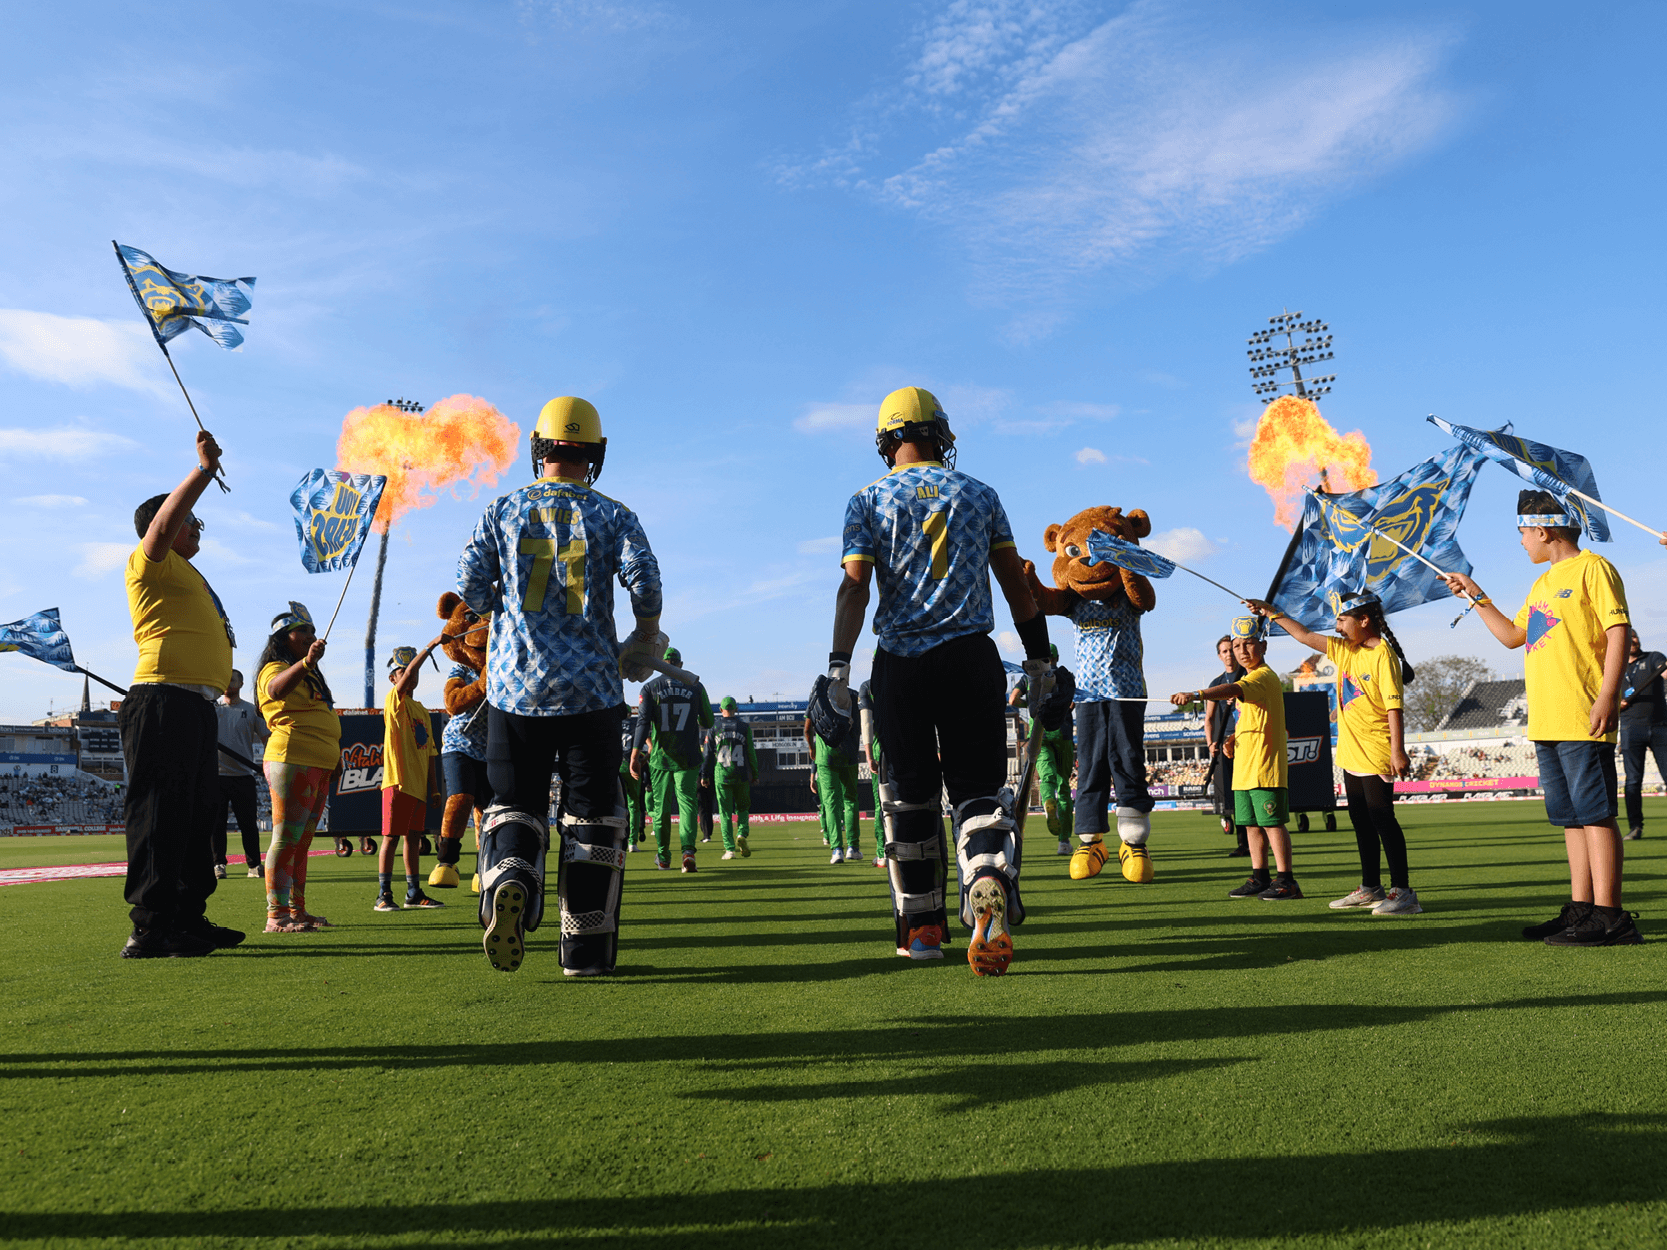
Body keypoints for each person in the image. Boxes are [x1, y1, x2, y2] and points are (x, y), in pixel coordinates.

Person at [828, 386, 1049, 975]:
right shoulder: (980, 494)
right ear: (941, 435)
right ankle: (984, 876)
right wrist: (1040, 660)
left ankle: (923, 928)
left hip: (901, 663)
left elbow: (855, 585)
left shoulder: (867, 499)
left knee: (909, 800)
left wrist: (838, 667)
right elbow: (1015, 582)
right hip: (971, 657)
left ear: (887, 440)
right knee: (978, 793)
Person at [458, 395, 664, 976]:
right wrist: (645, 632)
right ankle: (585, 953)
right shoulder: (613, 514)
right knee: (594, 816)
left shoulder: (501, 510)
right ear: (593, 453)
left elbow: (470, 589)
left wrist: (503, 611)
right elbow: (645, 582)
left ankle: (511, 876)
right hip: (591, 690)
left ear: (539, 450)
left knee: (514, 803)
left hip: (513, 688)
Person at [1442, 489, 1638, 946]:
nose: (1522, 542)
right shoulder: (1542, 583)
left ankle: (1612, 917)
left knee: (1596, 816)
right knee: (1571, 819)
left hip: (1582, 715)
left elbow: (1618, 631)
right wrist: (1476, 596)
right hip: (1547, 720)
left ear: (1544, 530)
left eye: (1524, 533)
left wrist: (1608, 694)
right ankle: (1582, 909)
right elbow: (1513, 636)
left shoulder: (1594, 568)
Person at [118, 429, 244, 958]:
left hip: (195, 706)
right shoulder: (149, 560)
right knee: (160, 815)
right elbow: (166, 522)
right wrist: (204, 471)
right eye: (194, 520)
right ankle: (149, 927)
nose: (198, 529)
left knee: (197, 815)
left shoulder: (187, 574)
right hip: (162, 700)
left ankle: (187, 917)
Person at [1246, 591, 1419, 915]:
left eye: (1342, 620)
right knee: (1360, 820)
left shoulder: (1383, 655)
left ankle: (1404, 892)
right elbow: (1304, 635)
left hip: (1378, 749)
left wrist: (1398, 751)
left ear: (1364, 620)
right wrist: (1271, 612)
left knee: (1382, 818)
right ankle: (1370, 887)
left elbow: (1394, 707)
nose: (1337, 627)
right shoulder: (1345, 649)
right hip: (1352, 751)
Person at [1172, 614, 1300, 900]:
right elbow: (1253, 718)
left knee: (1272, 823)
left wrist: (1197, 694)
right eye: (1238, 645)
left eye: (1249, 644)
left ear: (1263, 646)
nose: (1243, 651)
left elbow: (1233, 689)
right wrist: (1231, 739)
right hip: (1245, 766)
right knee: (1251, 824)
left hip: (1264, 766)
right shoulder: (1250, 676)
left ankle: (1287, 880)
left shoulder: (1262, 676)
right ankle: (1260, 877)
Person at [255, 602, 341, 933]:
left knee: (302, 842)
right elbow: (276, 690)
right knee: (286, 838)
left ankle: (297, 911)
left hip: (318, 760)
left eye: (313, 631)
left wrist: (335, 753)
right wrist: (307, 662)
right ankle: (276, 916)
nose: (311, 635)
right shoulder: (273, 668)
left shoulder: (309, 672)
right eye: (303, 630)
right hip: (293, 758)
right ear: (283, 636)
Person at [631, 648, 713, 873]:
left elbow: (643, 723)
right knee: (687, 804)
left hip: (660, 758)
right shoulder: (695, 684)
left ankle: (664, 857)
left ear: (660, 663)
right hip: (688, 756)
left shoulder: (649, 687)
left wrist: (635, 754)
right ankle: (688, 852)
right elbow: (708, 719)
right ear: (681, 663)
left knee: (661, 809)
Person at [376, 643, 445, 912]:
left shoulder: (422, 712)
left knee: (413, 839)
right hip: (397, 781)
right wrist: (429, 648)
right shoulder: (395, 700)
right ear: (393, 678)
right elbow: (405, 683)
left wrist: (435, 789)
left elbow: (430, 753)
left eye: (412, 672)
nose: (409, 676)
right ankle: (383, 894)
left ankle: (413, 892)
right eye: (402, 672)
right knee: (391, 838)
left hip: (418, 787)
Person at [1010, 643, 1077, 856]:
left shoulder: (1028, 678)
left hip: (1039, 731)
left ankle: (1048, 801)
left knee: (1046, 778)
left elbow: (1012, 700)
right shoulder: (1065, 676)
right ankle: (1064, 841)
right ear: (1056, 658)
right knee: (1064, 786)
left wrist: (1033, 704)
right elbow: (1072, 704)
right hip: (1063, 732)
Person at [215, 669, 270, 879]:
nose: (228, 682)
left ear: (241, 683)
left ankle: (254, 865)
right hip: (217, 776)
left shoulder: (251, 710)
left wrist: (269, 764)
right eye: (225, 678)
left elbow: (267, 739)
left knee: (248, 823)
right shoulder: (213, 709)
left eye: (233, 679)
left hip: (244, 776)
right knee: (217, 824)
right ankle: (218, 864)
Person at [1202, 636, 1248, 858]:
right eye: (1225, 651)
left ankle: (1259, 840)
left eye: (1232, 649)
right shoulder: (1216, 684)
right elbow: (1209, 717)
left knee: (1250, 792)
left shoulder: (1249, 676)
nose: (1229, 654)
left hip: (1248, 740)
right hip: (1226, 744)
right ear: (1219, 656)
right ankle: (1243, 843)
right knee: (1235, 796)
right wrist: (1211, 743)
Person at [1618, 628, 1667, 841]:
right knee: (1633, 781)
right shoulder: (1615, 670)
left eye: (1635, 636)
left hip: (1660, 726)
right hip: (1630, 729)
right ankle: (1635, 827)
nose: (1633, 640)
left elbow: (1664, 672)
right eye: (1629, 638)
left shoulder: (1654, 658)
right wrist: (1615, 704)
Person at [806, 697, 863, 863]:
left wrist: (812, 749)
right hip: (849, 755)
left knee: (830, 804)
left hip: (826, 757)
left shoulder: (818, 695)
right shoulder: (852, 696)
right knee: (851, 801)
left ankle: (837, 850)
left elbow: (807, 729)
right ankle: (853, 847)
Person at [704, 697, 758, 859]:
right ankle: (742, 833)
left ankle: (729, 850)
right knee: (742, 809)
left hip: (722, 776)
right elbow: (751, 753)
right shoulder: (744, 727)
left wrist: (704, 775)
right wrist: (754, 773)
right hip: (741, 775)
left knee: (725, 814)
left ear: (721, 710)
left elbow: (707, 754)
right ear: (736, 709)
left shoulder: (714, 728)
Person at [620, 717, 646, 852]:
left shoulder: (614, 723)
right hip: (633, 766)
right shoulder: (636, 725)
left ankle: (616, 840)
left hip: (617, 767)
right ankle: (632, 842)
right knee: (634, 805)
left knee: (615, 805)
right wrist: (642, 761)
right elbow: (651, 747)